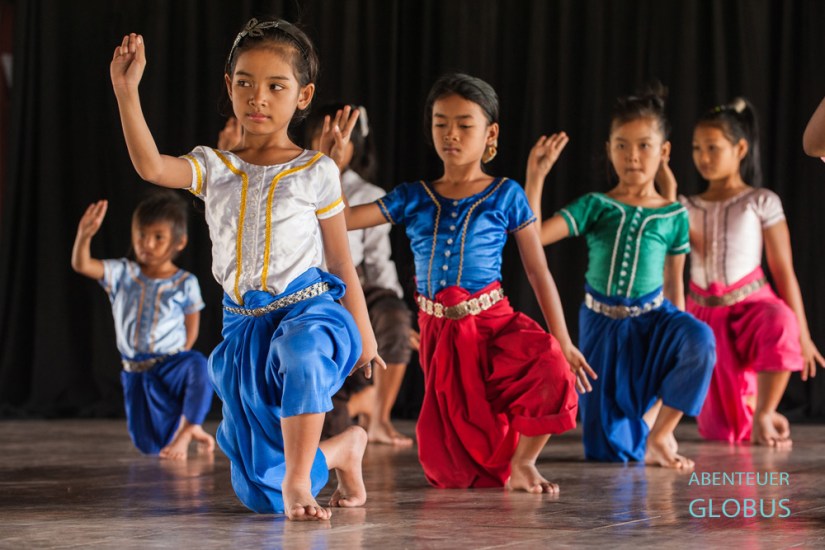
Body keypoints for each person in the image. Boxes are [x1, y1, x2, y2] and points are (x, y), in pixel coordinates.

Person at [109, 17, 381, 520]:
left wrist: (364, 334)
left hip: (308, 310)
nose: (258, 97)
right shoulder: (213, 167)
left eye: (276, 86)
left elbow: (340, 257)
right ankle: (343, 451)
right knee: (259, 494)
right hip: (244, 325)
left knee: (300, 353)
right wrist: (127, 91)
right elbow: (151, 167)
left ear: (303, 95)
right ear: (228, 87)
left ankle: (301, 481)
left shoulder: (316, 171)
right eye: (245, 83)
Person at [324, 74, 589, 493]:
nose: (451, 134)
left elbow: (538, 271)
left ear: (490, 133)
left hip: (495, 324)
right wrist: (331, 169)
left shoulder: (506, 194)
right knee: (450, 470)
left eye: (465, 124)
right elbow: (340, 222)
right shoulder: (413, 196)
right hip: (441, 337)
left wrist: (564, 338)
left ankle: (525, 463)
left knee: (552, 367)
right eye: (441, 122)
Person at [525, 83, 716, 469]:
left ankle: (661, 435)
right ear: (609, 149)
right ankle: (639, 434)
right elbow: (534, 240)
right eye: (622, 145)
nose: (632, 156)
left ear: (663, 152)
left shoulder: (674, 215)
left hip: (653, 322)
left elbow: (675, 280)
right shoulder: (596, 205)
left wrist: (676, 342)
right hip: (601, 327)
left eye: (644, 145)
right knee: (610, 454)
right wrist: (536, 178)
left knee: (700, 339)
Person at [662, 98, 824, 447]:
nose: (703, 157)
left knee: (781, 321)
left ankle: (765, 411)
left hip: (753, 308)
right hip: (704, 313)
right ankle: (753, 411)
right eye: (696, 148)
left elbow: (784, 271)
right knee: (722, 432)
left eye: (713, 148)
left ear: (740, 148)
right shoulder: (685, 206)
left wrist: (805, 335)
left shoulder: (761, 201)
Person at [71, 192, 215, 460]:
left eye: (158, 237)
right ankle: (188, 429)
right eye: (141, 235)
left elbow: (191, 325)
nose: (147, 243)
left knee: (198, 365)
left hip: (171, 364)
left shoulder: (185, 282)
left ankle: (188, 430)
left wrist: (179, 359)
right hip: (136, 370)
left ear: (179, 241)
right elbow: (82, 264)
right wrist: (84, 235)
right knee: (149, 445)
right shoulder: (123, 273)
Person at [304, 103, 414, 446]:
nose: (332, 144)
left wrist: (397, 312)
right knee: (329, 429)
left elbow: (379, 262)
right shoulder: (294, 183)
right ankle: (356, 405)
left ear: (357, 145)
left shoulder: (367, 194)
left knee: (395, 319)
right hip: (309, 293)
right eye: (322, 137)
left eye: (342, 138)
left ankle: (379, 416)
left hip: (356, 289)